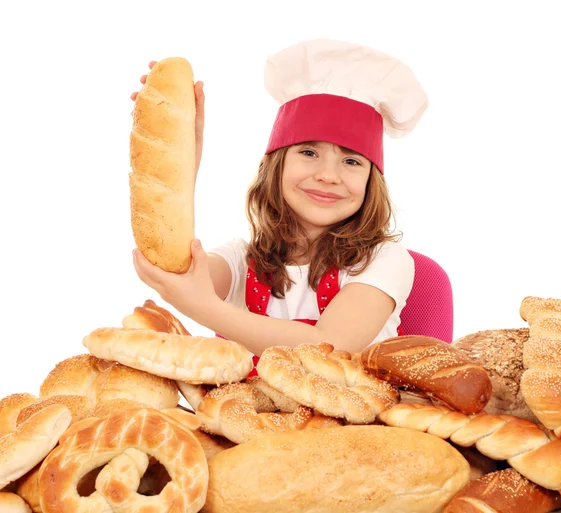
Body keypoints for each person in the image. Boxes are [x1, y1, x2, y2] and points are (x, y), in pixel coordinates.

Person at [131, 39, 429, 361]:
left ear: (372, 181)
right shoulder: (241, 260)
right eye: (309, 152)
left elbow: (330, 344)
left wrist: (205, 309)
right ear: (276, 165)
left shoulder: (385, 260)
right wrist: (183, 151)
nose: (329, 175)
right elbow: (174, 270)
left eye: (351, 161)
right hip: (247, 413)